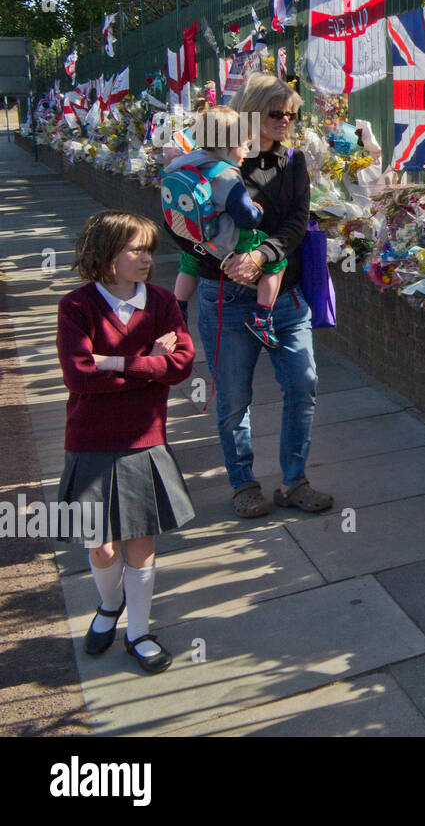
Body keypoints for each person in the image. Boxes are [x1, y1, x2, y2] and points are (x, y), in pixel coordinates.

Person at [181, 72, 333, 519]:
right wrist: (220, 254)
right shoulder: (211, 159)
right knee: (232, 398)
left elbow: (296, 222)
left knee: (303, 383)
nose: (286, 120)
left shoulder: (292, 162)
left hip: (284, 295)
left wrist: (262, 255)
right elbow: (180, 220)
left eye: (291, 113)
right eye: (276, 113)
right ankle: (243, 483)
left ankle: (294, 481)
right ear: (251, 111)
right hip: (225, 296)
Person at [57, 212, 195, 674]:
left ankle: (138, 630)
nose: (146, 259)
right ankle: (108, 605)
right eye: (135, 249)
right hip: (91, 441)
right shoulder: (76, 307)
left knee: (140, 541)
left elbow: (179, 367)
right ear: (106, 254)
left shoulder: (161, 303)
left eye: (149, 250)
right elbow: (79, 376)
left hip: (144, 441)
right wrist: (144, 367)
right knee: (100, 546)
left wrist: (112, 362)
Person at [164, 104, 287, 348]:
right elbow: (245, 218)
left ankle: (178, 309)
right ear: (225, 147)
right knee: (278, 262)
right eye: (243, 145)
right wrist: (257, 210)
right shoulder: (228, 176)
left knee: (188, 265)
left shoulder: (186, 162)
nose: (246, 151)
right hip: (226, 241)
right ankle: (262, 318)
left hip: (194, 236)